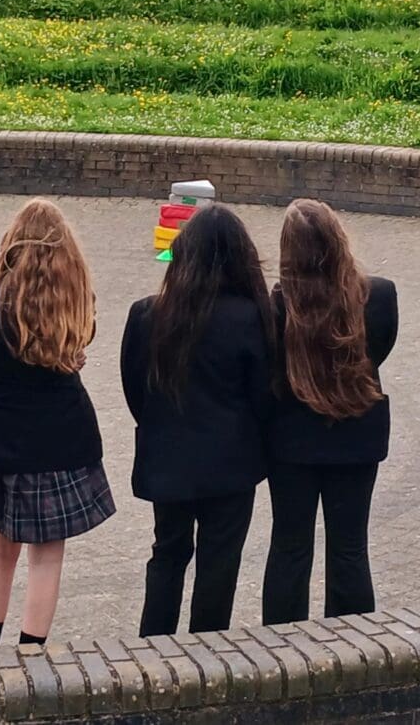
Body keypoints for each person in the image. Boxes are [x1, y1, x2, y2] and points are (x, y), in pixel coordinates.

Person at [120, 204, 273, 637]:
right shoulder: (250, 317)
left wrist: (160, 426)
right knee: (219, 562)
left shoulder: (148, 313)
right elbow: (263, 394)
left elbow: (135, 388)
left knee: (167, 553)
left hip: (167, 458)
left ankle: (153, 642)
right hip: (231, 463)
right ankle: (207, 648)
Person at [0, 198, 115, 648]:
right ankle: (31, 651)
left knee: (0, 551)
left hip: (0, 439)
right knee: (47, 558)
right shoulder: (73, 292)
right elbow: (78, 346)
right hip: (59, 438)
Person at [261, 199, 398, 625]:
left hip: (291, 443)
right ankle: (351, 640)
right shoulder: (379, 295)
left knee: (289, 545)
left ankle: (282, 643)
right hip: (357, 435)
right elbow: (379, 352)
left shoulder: (277, 306)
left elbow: (270, 372)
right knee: (351, 547)